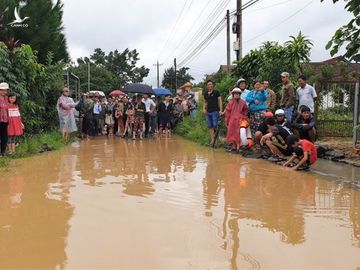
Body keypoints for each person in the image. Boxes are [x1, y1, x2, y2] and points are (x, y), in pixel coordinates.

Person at [225, 88, 251, 152]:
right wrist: (227, 121)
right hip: (232, 120)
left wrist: (244, 116)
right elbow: (227, 113)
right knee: (232, 133)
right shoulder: (230, 102)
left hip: (240, 119)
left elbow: (246, 109)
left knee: (239, 133)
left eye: (237, 94)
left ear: (239, 94)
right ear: (233, 94)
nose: (236, 95)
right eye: (235, 94)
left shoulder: (243, 102)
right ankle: (234, 146)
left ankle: (238, 146)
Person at [203, 80, 223, 145]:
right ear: (207, 86)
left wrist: (221, 110)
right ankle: (212, 139)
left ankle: (218, 138)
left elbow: (220, 100)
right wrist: (204, 109)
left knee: (215, 125)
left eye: (210, 84)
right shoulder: (205, 93)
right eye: (208, 84)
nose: (209, 85)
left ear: (213, 85)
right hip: (208, 112)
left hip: (215, 111)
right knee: (210, 126)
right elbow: (205, 102)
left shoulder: (216, 92)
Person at [0, 82, 9, 156]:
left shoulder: (6, 98)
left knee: (4, 137)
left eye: (5, 90)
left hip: (5, 120)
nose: (4, 92)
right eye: (2, 90)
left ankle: (2, 152)